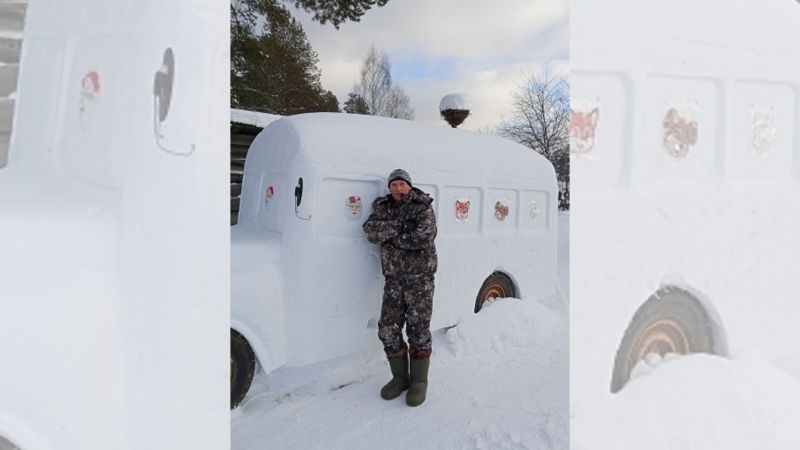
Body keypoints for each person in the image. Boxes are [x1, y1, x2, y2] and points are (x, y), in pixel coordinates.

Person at [363, 168, 437, 407]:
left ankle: (419, 382)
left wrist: (391, 235)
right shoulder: (382, 207)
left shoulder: (422, 205)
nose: (398, 188)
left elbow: (424, 236)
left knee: (418, 330)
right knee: (387, 329)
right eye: (394, 184)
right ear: (389, 187)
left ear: (409, 186)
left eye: (402, 184)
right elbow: (370, 231)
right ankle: (400, 378)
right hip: (394, 279)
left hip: (419, 279)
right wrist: (401, 228)